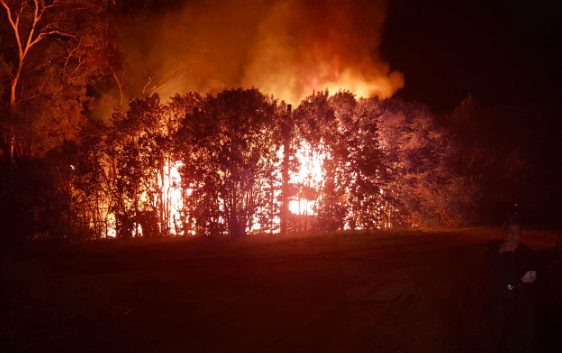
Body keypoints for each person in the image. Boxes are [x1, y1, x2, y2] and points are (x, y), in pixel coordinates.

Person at [485, 221, 538, 352]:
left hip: (519, 302)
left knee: (520, 335)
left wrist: (532, 278)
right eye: (510, 232)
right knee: (497, 334)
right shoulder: (494, 250)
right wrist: (500, 250)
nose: (513, 236)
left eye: (517, 233)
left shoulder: (528, 253)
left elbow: (535, 272)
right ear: (504, 234)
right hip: (499, 301)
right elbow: (484, 269)